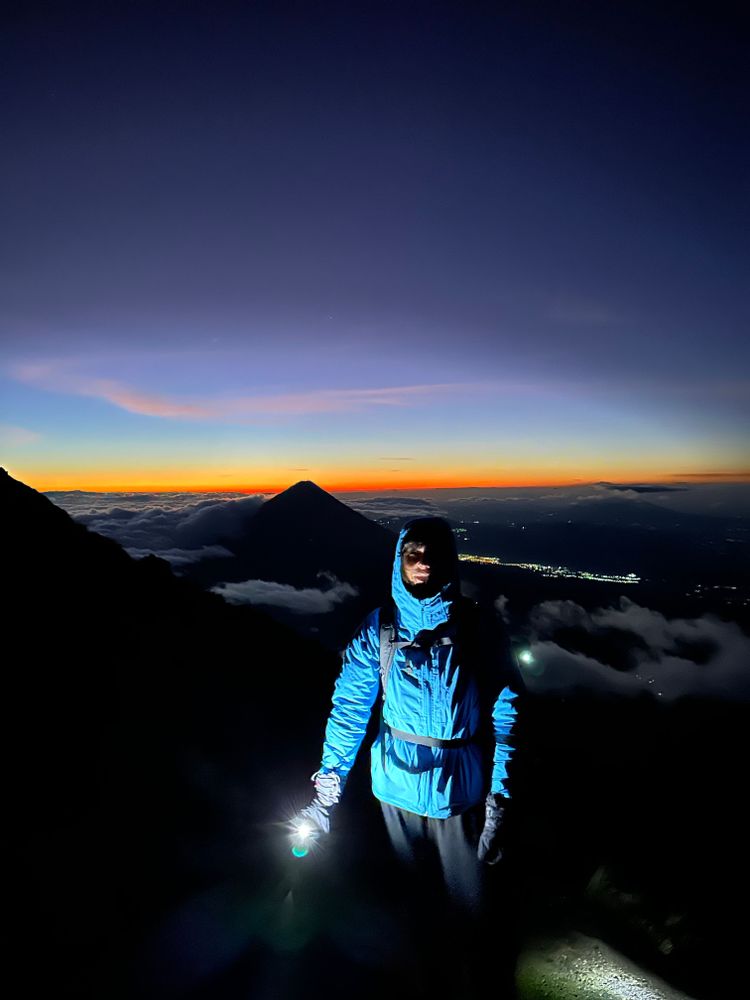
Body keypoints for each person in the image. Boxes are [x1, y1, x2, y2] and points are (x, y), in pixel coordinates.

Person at [293, 516, 522, 992]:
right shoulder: (379, 630)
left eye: (432, 553)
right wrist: (327, 791)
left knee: (470, 918)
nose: (423, 562)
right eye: (412, 553)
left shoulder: (477, 628)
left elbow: (507, 716)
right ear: (398, 561)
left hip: (459, 798)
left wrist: (499, 798)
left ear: (450, 560)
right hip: (395, 796)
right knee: (408, 910)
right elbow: (350, 710)